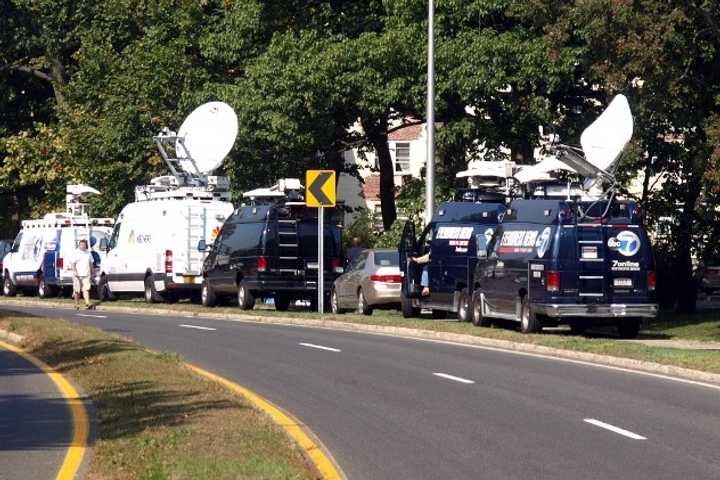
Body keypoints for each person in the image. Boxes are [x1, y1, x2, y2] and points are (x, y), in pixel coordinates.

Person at [70, 239, 95, 310]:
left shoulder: (88, 253)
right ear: (79, 245)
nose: (82, 246)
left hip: (86, 274)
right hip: (77, 275)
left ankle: (87, 303)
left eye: (84, 245)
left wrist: (93, 272)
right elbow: (72, 264)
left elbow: (91, 263)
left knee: (86, 289)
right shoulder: (76, 253)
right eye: (81, 245)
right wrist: (75, 272)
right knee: (77, 291)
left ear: (86, 246)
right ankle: (77, 304)